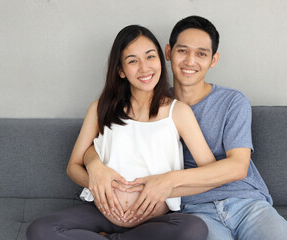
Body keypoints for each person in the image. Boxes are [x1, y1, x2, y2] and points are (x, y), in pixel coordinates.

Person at [84, 16, 287, 240]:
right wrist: (93, 163)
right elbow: (109, 139)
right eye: (183, 51)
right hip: (195, 210)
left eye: (201, 54)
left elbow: (238, 167)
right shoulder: (154, 105)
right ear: (168, 53)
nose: (190, 61)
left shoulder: (232, 101)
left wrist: (169, 180)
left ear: (214, 59)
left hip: (246, 202)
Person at [26, 24, 211, 240]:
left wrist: (167, 188)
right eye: (133, 61)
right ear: (121, 70)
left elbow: (208, 174)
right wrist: (96, 180)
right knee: (39, 230)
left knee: (193, 229)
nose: (144, 68)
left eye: (150, 57)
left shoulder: (177, 112)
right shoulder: (101, 108)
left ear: (161, 60)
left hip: (152, 221)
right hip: (102, 213)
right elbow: (73, 166)